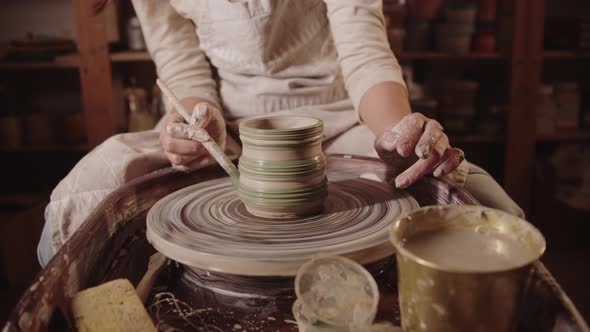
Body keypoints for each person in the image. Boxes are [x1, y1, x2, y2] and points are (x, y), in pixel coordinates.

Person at [37, 0, 523, 266]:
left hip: (339, 117)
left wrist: (397, 131)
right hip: (227, 127)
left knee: (472, 196)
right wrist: (194, 125)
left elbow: (365, 54)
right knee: (86, 190)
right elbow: (182, 72)